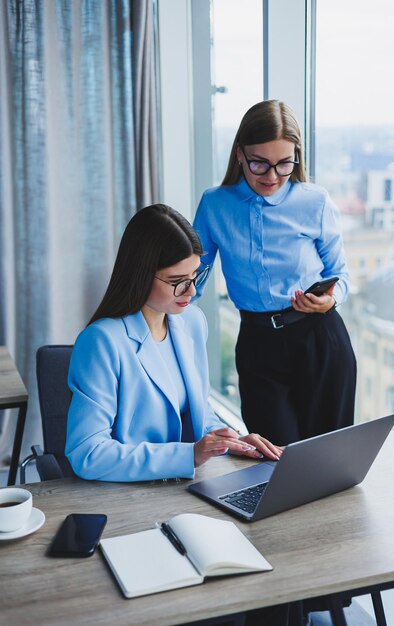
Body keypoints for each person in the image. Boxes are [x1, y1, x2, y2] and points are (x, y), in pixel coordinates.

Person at [65, 204, 281, 482]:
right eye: (177, 281)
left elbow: (199, 417)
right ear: (141, 274)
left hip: (188, 486)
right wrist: (188, 456)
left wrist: (231, 441)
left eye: (195, 276)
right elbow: (87, 453)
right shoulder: (101, 342)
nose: (191, 291)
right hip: (129, 494)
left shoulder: (191, 322)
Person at [194, 99, 357, 448]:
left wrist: (330, 301)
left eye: (284, 164)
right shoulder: (214, 204)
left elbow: (340, 274)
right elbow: (194, 275)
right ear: (240, 154)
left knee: (328, 461)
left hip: (319, 338)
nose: (271, 177)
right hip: (257, 344)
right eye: (259, 163)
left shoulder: (315, 201)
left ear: (296, 155)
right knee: (272, 460)